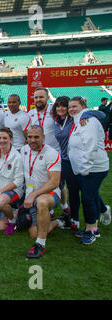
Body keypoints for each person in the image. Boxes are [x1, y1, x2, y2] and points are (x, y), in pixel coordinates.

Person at [52, 96, 106, 231]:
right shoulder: (56, 120)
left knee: (87, 193)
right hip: (66, 160)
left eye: (65, 106)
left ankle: (94, 224)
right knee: (75, 190)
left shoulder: (81, 119)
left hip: (82, 163)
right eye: (58, 106)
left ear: (82, 107)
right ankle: (75, 219)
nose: (62, 108)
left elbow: (102, 114)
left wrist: (88, 112)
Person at [68, 97, 110, 244]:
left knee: (87, 199)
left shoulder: (88, 120)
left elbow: (90, 146)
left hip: (93, 169)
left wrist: (85, 169)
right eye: (70, 107)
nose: (71, 109)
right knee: (92, 195)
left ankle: (92, 230)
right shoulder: (79, 120)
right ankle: (102, 213)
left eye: (75, 106)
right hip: (85, 168)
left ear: (83, 106)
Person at [21, 125, 61, 259]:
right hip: (30, 196)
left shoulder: (51, 153)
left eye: (36, 137)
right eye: (30, 137)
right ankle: (59, 221)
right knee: (33, 232)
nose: (32, 140)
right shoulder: (24, 150)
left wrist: (33, 194)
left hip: (49, 193)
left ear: (43, 137)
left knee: (42, 202)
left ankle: (40, 244)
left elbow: (55, 182)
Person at [0, 128, 24, 235]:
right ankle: (13, 211)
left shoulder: (17, 157)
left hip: (14, 190)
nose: (2, 140)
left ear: (11, 139)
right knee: (1, 227)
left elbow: (18, 181)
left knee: (0, 202)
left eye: (5, 138)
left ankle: (12, 221)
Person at [28, 88, 60, 152]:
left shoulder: (55, 111)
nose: (38, 99)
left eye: (41, 97)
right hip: (37, 152)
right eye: (36, 97)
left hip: (54, 151)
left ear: (48, 97)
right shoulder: (30, 114)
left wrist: (85, 115)